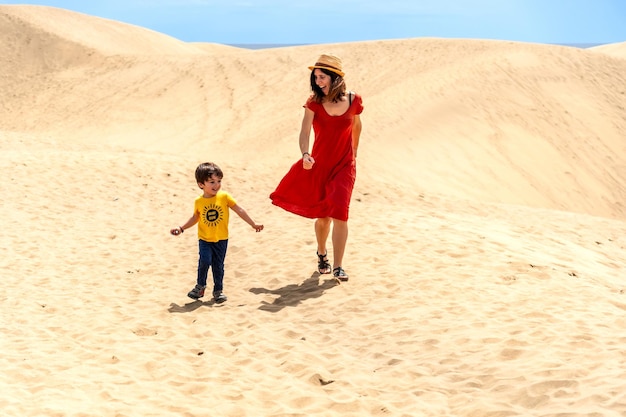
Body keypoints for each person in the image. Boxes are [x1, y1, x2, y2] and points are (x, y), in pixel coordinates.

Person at [270, 53, 363, 282]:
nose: (318, 81)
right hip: (319, 165)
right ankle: (322, 254)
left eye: (322, 77)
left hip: (344, 166)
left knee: (340, 213)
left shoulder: (354, 100)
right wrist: (305, 154)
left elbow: (357, 127)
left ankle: (339, 266)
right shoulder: (314, 102)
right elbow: (304, 131)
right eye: (316, 77)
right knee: (324, 218)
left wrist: (354, 153)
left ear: (334, 77)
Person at [171, 162, 263, 303]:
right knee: (205, 261)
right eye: (212, 182)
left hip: (221, 239)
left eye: (219, 181)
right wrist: (181, 228)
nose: (217, 185)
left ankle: (218, 291)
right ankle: (200, 286)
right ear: (201, 184)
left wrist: (253, 223)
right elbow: (195, 217)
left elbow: (239, 210)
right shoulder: (199, 201)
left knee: (218, 265)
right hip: (205, 239)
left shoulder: (224, 197)